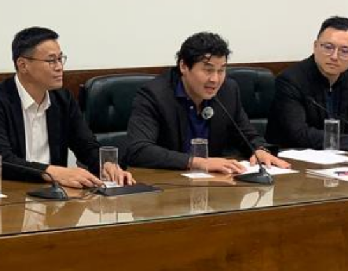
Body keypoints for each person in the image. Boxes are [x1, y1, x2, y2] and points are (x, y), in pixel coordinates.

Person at [0, 26, 135, 189]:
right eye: (51, 60)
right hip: (7, 192)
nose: (59, 67)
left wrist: (106, 165)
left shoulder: (63, 99)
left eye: (60, 59)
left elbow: (86, 146)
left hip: (53, 193)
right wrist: (53, 172)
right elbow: (1, 160)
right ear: (23, 65)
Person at [122, 32, 291, 174]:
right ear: (184, 66)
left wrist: (260, 150)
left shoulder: (228, 91)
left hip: (215, 184)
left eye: (221, 70)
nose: (215, 79)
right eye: (208, 70)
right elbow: (138, 150)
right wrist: (198, 162)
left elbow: (247, 135)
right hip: (166, 185)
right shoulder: (155, 95)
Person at [267, 16, 348, 153]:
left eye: (345, 51)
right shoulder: (290, 80)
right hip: (293, 158)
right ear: (315, 46)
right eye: (328, 47)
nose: (334, 56)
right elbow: (298, 134)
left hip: (343, 158)